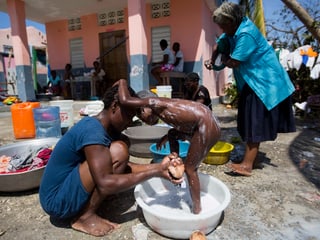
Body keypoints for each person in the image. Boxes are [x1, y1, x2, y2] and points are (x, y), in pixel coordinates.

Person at [39, 84, 184, 237]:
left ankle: (88, 206)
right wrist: (155, 171)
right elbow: (105, 182)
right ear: (114, 106)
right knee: (119, 150)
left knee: (121, 147)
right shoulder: (92, 130)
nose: (130, 121)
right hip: (57, 201)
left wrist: (160, 167)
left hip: (66, 191)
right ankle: (84, 217)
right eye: (129, 115)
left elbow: (123, 166)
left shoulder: (106, 130)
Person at [206, 2, 296, 176]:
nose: (223, 30)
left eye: (224, 26)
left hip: (265, 82)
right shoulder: (232, 31)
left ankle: (247, 165)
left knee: (255, 122)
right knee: (248, 119)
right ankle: (252, 158)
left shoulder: (246, 34)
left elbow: (234, 62)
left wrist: (222, 59)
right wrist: (212, 59)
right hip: (252, 81)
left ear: (232, 21)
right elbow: (219, 45)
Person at [117, 79, 221, 214]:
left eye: (140, 113)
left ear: (146, 105)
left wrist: (121, 82)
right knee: (172, 133)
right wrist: (166, 137)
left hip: (206, 126)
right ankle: (175, 159)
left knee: (190, 169)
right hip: (202, 125)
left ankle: (197, 210)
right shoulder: (164, 109)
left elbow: (125, 100)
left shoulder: (155, 102)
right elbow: (183, 122)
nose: (143, 119)